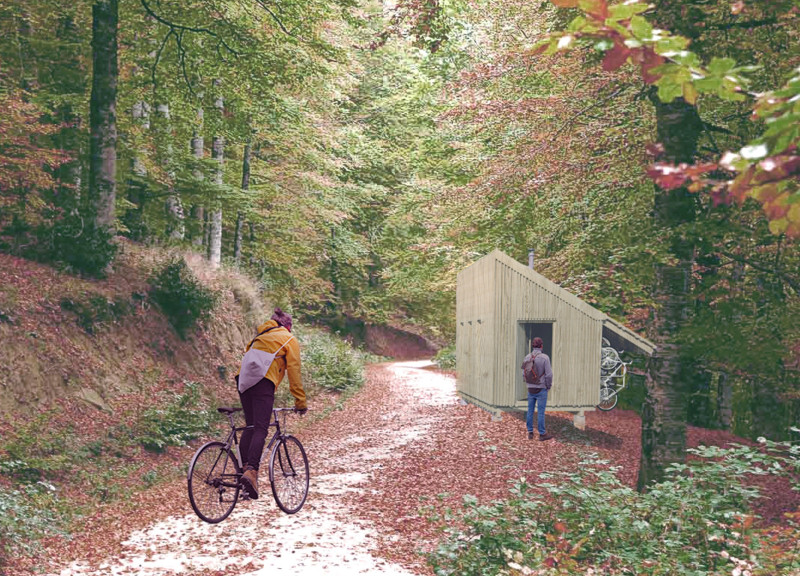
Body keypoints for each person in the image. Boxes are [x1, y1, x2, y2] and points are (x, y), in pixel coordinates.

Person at [235, 307, 307, 499]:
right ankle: (251, 472)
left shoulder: (259, 337)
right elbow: (294, 371)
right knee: (261, 428)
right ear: (288, 326)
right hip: (263, 382)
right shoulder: (289, 339)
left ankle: (243, 475)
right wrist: (300, 401)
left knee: (250, 427)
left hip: (242, 380)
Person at [521, 337, 553, 441]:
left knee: (530, 411)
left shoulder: (527, 357)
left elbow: (523, 373)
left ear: (532, 346)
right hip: (541, 388)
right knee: (540, 412)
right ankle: (542, 434)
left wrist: (528, 384)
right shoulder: (545, 358)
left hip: (530, 389)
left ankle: (530, 432)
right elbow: (549, 374)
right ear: (541, 346)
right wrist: (548, 386)